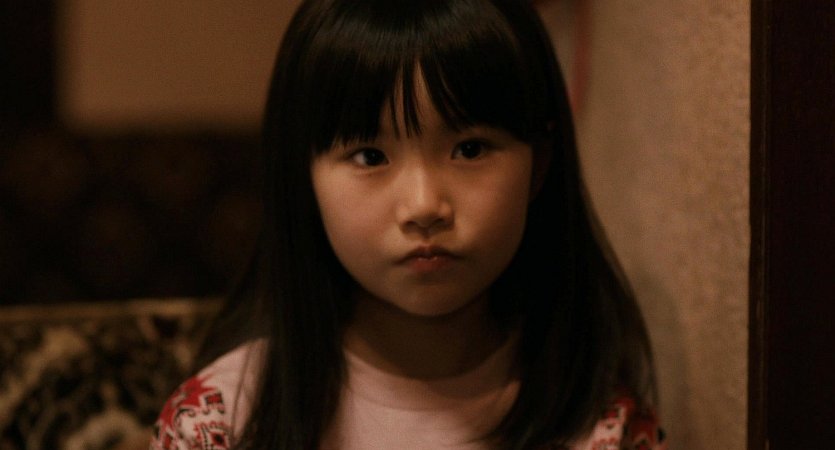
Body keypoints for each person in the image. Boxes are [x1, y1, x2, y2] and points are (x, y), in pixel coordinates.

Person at [149, 0, 667, 449]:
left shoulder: (603, 430)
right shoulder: (217, 427)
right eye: (370, 156)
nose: (423, 206)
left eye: (470, 149)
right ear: (303, 180)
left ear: (539, 165)